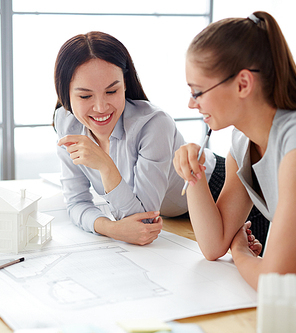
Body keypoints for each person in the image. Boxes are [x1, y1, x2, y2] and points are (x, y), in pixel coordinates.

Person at [173, 11, 296, 290]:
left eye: (197, 92)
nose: (192, 104)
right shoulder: (243, 140)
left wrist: (240, 251)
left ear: (243, 84)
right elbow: (214, 245)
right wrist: (194, 176)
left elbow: (277, 281)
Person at [53, 31, 236, 246]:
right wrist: (110, 228)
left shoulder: (154, 124)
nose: (101, 107)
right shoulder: (66, 123)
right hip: (171, 215)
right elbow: (76, 202)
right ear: (65, 92)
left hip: (215, 189)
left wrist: (105, 165)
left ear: (125, 84)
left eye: (112, 91)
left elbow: (144, 221)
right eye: (85, 96)